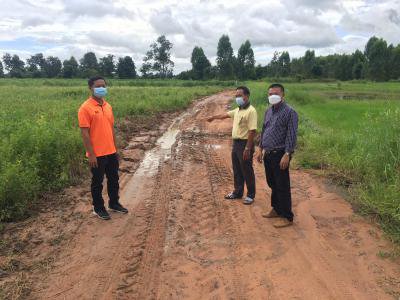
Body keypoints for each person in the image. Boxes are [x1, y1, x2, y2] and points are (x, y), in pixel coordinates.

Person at [78, 76, 128, 220]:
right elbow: (85, 133)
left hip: (110, 151)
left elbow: (110, 128)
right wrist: (91, 154)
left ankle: (114, 203)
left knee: (114, 178)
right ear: (90, 88)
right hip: (97, 154)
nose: (101, 88)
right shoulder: (85, 108)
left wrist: (115, 148)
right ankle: (98, 207)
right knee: (97, 181)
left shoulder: (107, 106)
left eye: (103, 85)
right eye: (98, 86)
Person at [257, 83, 298, 228]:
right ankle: (276, 208)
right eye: (270, 94)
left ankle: (287, 216)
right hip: (268, 153)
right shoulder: (269, 111)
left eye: (276, 93)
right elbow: (264, 129)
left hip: (280, 154)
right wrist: (260, 147)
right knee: (272, 183)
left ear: (283, 95)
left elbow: (291, 135)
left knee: (282, 186)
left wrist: (287, 154)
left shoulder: (290, 112)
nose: (272, 96)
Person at [207, 86, 257, 205]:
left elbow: (252, 131)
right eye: (236, 96)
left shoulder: (251, 111)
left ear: (247, 96)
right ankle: (238, 192)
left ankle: (250, 195)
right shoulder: (238, 110)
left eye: (240, 95)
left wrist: (248, 148)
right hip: (236, 144)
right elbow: (225, 115)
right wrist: (213, 118)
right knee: (237, 169)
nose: (238, 98)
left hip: (245, 144)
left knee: (247, 170)